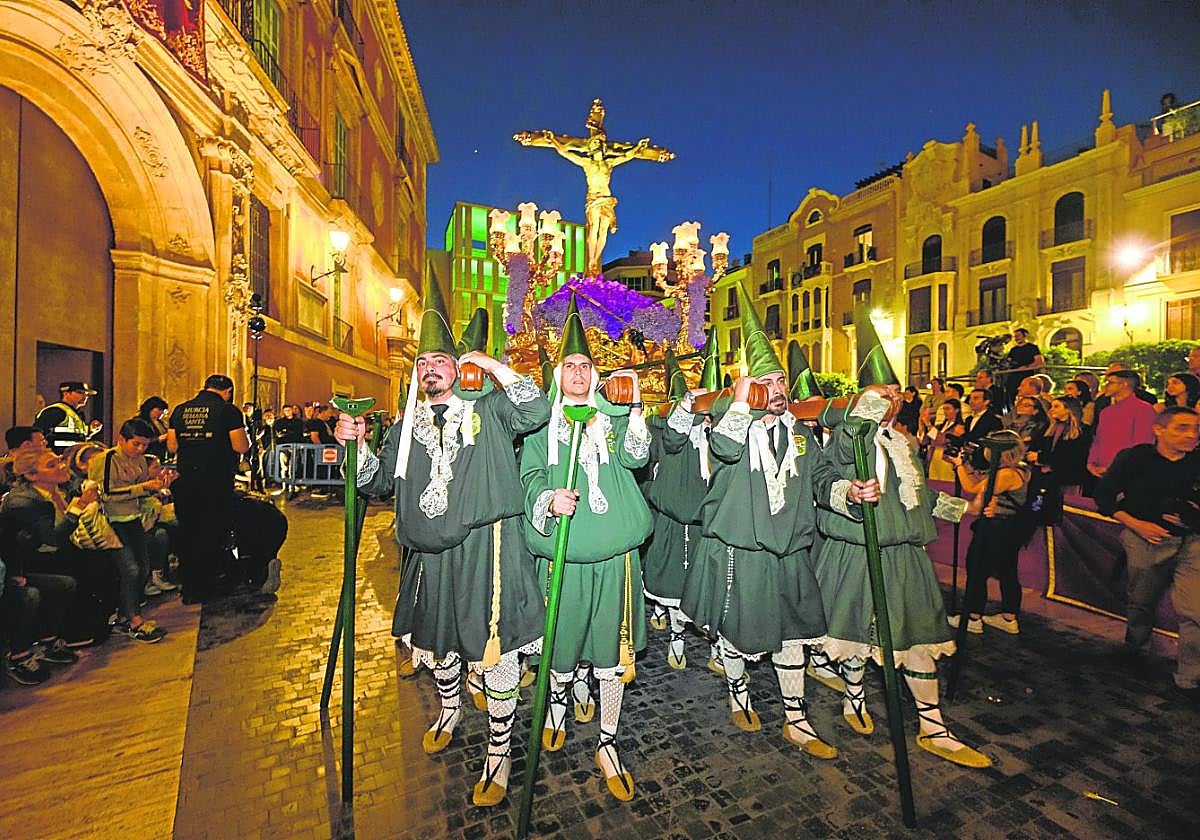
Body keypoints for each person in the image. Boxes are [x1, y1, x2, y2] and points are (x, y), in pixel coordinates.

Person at [338, 277, 549, 807]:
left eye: (440, 361)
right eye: (423, 363)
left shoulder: (491, 410)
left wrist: (492, 366)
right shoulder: (404, 427)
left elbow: (536, 410)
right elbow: (376, 482)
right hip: (428, 554)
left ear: (458, 367)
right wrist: (356, 447)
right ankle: (450, 709)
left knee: (494, 650)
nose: (430, 369)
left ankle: (499, 750)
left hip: (487, 548)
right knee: (437, 643)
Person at [679, 286, 845, 762]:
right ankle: (739, 694)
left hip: (790, 552)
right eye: (765, 382)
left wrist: (847, 492)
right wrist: (739, 398)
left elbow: (820, 478)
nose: (776, 390)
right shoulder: (730, 426)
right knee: (739, 630)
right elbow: (724, 449)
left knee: (793, 634)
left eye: (780, 382)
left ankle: (797, 718)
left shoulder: (800, 434)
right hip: (742, 551)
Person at [520, 294, 651, 802]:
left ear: (595, 374)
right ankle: (556, 707)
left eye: (584, 366)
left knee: (610, 652)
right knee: (562, 639)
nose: (577, 373)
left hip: (616, 561)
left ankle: (609, 740)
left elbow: (637, 457)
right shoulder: (541, 426)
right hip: (565, 558)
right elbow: (530, 476)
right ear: (558, 375)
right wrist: (547, 499)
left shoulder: (612, 418)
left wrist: (634, 408)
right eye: (569, 366)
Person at [1095, 407, 1200, 701]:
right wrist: (1136, 524)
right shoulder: (1135, 458)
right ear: (1159, 430)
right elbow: (1104, 496)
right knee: (1141, 602)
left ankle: (1190, 676)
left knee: (1194, 610)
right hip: (1146, 541)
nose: (1192, 435)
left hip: (1193, 543)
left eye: (1196, 428)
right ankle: (1136, 649)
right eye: (1182, 428)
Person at [640, 342, 718, 671]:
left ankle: (717, 645)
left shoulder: (723, 437)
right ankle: (676, 634)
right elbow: (668, 444)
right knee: (674, 582)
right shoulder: (671, 435)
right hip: (674, 521)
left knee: (710, 584)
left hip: (710, 526)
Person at [168, 374, 250, 604]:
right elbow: (240, 445)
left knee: (188, 531)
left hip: (186, 481)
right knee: (212, 531)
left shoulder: (180, 410)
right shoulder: (228, 411)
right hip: (215, 480)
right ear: (228, 391)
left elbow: (172, 446)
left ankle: (189, 586)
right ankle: (208, 585)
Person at [949, 430, 1031, 635]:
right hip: (1010, 527)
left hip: (997, 528)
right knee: (1007, 570)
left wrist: (958, 466)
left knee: (977, 568)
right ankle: (1008, 617)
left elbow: (972, 488)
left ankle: (973, 617)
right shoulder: (1020, 469)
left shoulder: (1007, 474)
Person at [90, 419, 166, 603]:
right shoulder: (107, 459)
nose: (140, 449)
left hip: (133, 517)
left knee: (143, 566)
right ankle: (128, 612)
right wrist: (143, 488)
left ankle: (131, 608)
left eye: (145, 445)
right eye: (136, 444)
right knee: (130, 569)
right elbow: (105, 494)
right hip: (111, 520)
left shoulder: (140, 460)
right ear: (121, 439)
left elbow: (141, 489)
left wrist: (156, 487)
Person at [1087, 370, 1157, 481]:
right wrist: (1091, 463)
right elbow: (1098, 440)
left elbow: (1142, 445)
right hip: (1101, 471)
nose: (1106, 386)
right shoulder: (1106, 412)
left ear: (1124, 384)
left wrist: (1116, 468)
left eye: (1110, 383)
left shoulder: (1144, 409)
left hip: (1128, 473)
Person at [1030, 396, 1089, 492]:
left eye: (1056, 407)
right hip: (1047, 478)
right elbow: (1036, 445)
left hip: (1069, 480)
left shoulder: (1082, 430)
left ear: (1068, 409)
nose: (1051, 410)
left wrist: (1041, 457)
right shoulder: (1048, 427)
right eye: (1051, 407)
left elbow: (1072, 457)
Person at [34, 381, 98, 452]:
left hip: (72, 456)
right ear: (66, 393)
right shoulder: (56, 411)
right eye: (80, 392)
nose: (85, 397)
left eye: (87, 394)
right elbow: (38, 434)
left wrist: (90, 431)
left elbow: (75, 437)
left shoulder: (76, 414)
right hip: (58, 456)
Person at [924, 398, 963, 482]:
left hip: (947, 460)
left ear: (957, 410)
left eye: (948, 409)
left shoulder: (960, 427)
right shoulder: (941, 426)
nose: (945, 412)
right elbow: (926, 440)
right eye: (944, 409)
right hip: (934, 458)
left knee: (946, 483)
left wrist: (928, 424)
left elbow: (942, 440)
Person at [1001, 328, 1044, 405]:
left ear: (1025, 336)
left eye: (1018, 335)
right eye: (1015, 336)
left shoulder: (1032, 347)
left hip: (1027, 375)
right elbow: (1008, 362)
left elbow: (1039, 361)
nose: (1016, 338)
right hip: (1014, 376)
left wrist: (1026, 367)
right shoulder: (1013, 350)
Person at [137, 397, 171, 461]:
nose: (161, 412)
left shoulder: (160, 422)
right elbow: (138, 440)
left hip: (159, 456)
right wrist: (158, 439)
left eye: (162, 410)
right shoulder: (139, 422)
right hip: (146, 457)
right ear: (150, 408)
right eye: (159, 409)